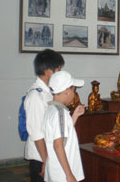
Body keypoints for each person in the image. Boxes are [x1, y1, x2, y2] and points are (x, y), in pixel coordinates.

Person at [24, 49, 65, 182]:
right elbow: (36, 133)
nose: (59, 74)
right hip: (40, 157)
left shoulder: (48, 91)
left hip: (48, 154)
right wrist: (46, 161)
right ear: (48, 70)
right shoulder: (36, 96)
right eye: (58, 70)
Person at [44, 71, 85, 182]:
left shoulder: (52, 110)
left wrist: (75, 115)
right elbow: (58, 145)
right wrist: (69, 175)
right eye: (74, 91)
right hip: (62, 175)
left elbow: (64, 133)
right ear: (67, 92)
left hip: (56, 171)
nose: (74, 95)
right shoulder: (60, 113)